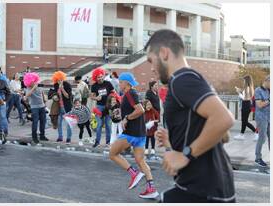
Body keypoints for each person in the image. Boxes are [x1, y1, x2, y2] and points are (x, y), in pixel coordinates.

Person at [145, 29, 235, 203]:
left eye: (151, 60)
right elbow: (223, 136)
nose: (152, 68)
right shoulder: (194, 79)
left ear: (164, 53)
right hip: (212, 187)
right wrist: (175, 140)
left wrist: (186, 154)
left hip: (201, 188)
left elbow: (225, 119)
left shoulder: (182, 79)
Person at [109, 72, 159, 199]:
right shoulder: (130, 94)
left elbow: (140, 110)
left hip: (131, 133)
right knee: (140, 161)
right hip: (140, 133)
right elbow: (135, 109)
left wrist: (126, 118)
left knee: (113, 154)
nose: (119, 84)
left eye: (120, 82)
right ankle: (151, 189)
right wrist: (121, 114)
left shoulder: (130, 93)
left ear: (127, 83)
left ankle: (134, 174)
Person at [90, 67, 114, 148]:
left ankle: (108, 142)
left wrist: (112, 99)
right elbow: (91, 96)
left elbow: (113, 93)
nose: (100, 78)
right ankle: (97, 142)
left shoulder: (108, 84)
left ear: (103, 76)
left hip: (108, 106)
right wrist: (96, 98)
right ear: (95, 78)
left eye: (101, 76)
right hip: (99, 107)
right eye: (98, 77)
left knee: (108, 124)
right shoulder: (94, 86)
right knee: (99, 124)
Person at [24, 73, 48, 145]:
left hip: (42, 106)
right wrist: (34, 88)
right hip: (34, 107)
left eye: (34, 81)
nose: (34, 82)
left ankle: (42, 135)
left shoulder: (39, 86)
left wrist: (45, 99)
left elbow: (42, 94)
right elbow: (26, 96)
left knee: (43, 121)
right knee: (35, 122)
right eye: (32, 81)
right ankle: (34, 137)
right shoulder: (29, 88)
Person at [51, 71, 72, 143]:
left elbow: (68, 96)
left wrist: (62, 89)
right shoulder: (56, 85)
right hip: (59, 107)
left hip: (67, 107)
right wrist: (54, 96)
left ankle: (68, 138)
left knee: (68, 123)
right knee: (59, 122)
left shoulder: (67, 85)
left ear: (63, 79)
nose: (59, 81)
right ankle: (60, 137)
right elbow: (53, 93)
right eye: (58, 80)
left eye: (61, 79)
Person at [234, 75, 257, 140]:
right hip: (247, 105)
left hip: (246, 105)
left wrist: (239, 93)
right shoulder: (250, 87)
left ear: (246, 81)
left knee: (245, 121)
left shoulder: (247, 87)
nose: (243, 81)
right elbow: (248, 97)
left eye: (244, 80)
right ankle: (242, 134)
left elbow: (245, 98)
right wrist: (240, 91)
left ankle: (256, 132)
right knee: (244, 121)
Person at [254, 75, 270, 167]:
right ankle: (258, 158)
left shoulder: (269, 90)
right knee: (262, 137)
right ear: (267, 81)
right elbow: (259, 105)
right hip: (261, 118)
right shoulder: (258, 90)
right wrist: (269, 100)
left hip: (269, 117)